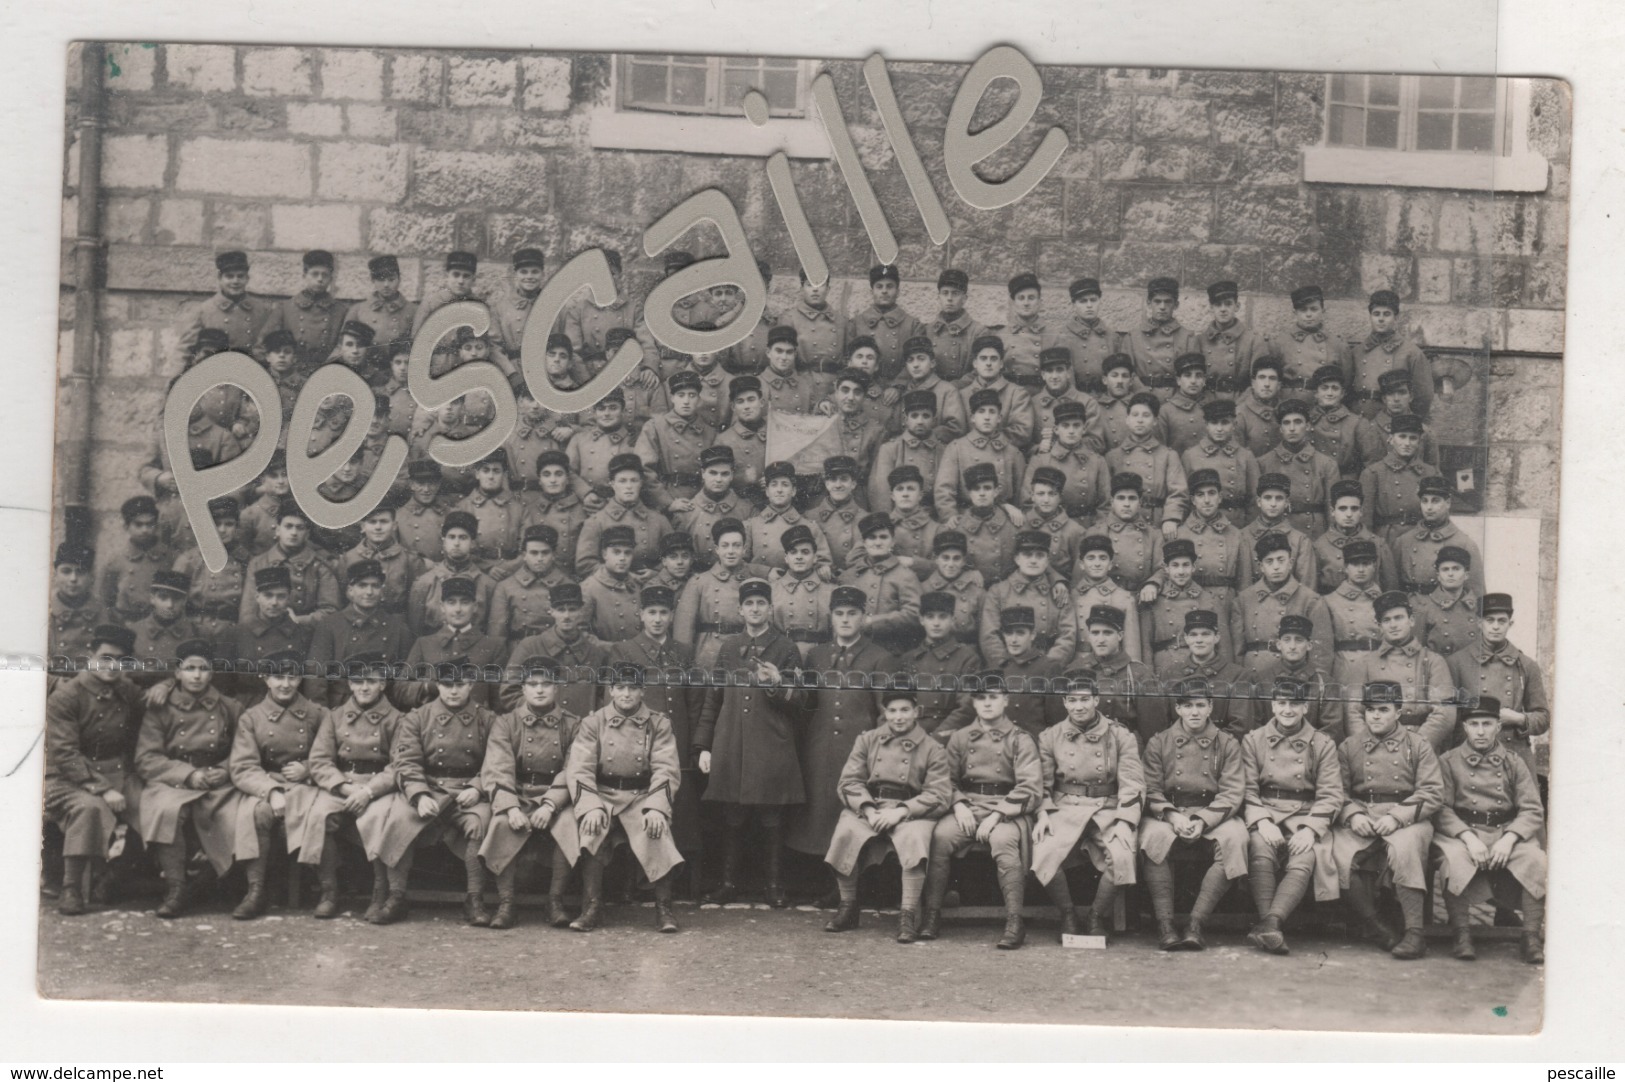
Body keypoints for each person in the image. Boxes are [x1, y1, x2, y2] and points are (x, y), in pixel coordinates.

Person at [693, 578, 809, 906]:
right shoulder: (729, 648)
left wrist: (775, 684)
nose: (755, 609)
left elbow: (800, 700)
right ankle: (729, 883)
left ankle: (773, 886)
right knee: (732, 814)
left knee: (771, 815)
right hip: (731, 741)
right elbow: (713, 699)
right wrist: (704, 745)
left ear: (770, 609)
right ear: (740, 610)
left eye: (761, 603)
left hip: (771, 741)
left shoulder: (786, 648)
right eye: (749, 604)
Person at [134, 639, 256, 920]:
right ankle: (176, 888)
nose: (197, 675)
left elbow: (245, 748)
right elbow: (147, 758)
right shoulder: (160, 708)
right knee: (165, 810)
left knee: (236, 814)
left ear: (212, 673)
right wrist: (188, 774)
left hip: (218, 781)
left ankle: (211, 882)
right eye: (190, 668)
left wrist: (226, 769)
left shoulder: (229, 707)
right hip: (173, 780)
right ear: (177, 673)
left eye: (203, 668)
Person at [920, 675, 1043, 949]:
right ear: (973, 702)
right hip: (969, 805)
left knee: (1003, 841)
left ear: (1005, 700)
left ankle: (1014, 921)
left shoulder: (1020, 739)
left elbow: (1030, 786)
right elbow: (944, 779)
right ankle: (932, 913)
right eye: (981, 698)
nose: (987, 703)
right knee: (940, 836)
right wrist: (959, 804)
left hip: (1006, 808)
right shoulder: (960, 738)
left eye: (993, 697)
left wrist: (998, 815)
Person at [791, 586, 898, 897]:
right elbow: (807, 704)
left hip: (857, 752)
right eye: (840, 614)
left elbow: (885, 712)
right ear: (831, 617)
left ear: (863, 617)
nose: (846, 619)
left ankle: (850, 886)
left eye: (852, 614)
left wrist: (876, 755)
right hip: (819, 748)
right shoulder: (817, 655)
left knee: (850, 815)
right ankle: (827, 883)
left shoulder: (880, 658)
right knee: (820, 817)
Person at [822, 688, 952, 942]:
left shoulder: (932, 748)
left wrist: (901, 812)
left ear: (916, 712)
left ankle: (907, 916)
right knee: (847, 830)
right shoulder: (868, 740)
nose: (898, 717)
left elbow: (939, 793)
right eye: (892, 711)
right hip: (872, 806)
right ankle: (848, 907)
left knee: (914, 839)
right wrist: (869, 809)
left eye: (905, 710)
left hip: (912, 811)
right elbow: (849, 782)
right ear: (885, 713)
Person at [1332, 680, 1445, 961]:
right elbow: (1337, 791)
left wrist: (1398, 817)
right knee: (1338, 854)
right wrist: (1352, 814)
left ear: (1398, 711)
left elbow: (1432, 791)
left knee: (1405, 850)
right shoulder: (1350, 747)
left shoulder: (1418, 745)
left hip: (1408, 817)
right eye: (1370, 710)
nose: (1376, 716)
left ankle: (1414, 933)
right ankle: (1376, 926)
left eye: (1383, 709)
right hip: (1363, 815)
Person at [1031, 673, 1145, 942]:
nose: (1078, 706)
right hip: (1063, 806)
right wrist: (1042, 812)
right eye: (1072, 700)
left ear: (1096, 700)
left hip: (1108, 807)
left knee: (1122, 854)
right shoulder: (1050, 737)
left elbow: (1133, 782)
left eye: (1084, 699)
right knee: (1043, 851)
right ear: (1065, 703)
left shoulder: (1119, 736)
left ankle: (1097, 915)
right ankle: (1067, 914)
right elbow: (1042, 783)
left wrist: (1125, 821)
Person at [1137, 677, 1249, 950]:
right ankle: (1165, 925)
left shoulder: (1227, 743)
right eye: (1187, 706)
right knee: (1152, 839)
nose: (1194, 712)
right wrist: (1173, 816)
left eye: (1200, 705)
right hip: (1170, 812)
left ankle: (1196, 924)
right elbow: (1150, 787)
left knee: (1236, 839)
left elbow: (1233, 791)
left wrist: (1202, 820)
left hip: (1213, 812)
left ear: (1211, 707)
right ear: (1178, 709)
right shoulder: (1159, 742)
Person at [228, 649, 341, 918]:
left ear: (300, 679)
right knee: (257, 814)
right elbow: (243, 766)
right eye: (278, 677)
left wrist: (309, 769)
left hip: (310, 785)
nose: (285, 684)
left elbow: (335, 754)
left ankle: (329, 891)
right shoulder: (251, 717)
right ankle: (255, 891)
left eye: (292, 677)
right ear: (266, 679)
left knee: (318, 816)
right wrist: (271, 790)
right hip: (268, 784)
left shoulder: (318, 714)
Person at [1435, 696, 1547, 965]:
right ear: (1464, 727)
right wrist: (1468, 838)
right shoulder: (1448, 761)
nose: (1481, 731)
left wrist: (1509, 839)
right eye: (1474, 724)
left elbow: (1532, 809)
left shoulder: (1514, 761)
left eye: (1487, 723)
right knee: (1455, 860)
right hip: (1463, 833)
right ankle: (1461, 933)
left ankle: (1530, 936)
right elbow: (1440, 809)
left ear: (1498, 726)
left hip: (1506, 831)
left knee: (1536, 859)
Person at [387, 658, 499, 926]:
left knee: (480, 823)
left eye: (460, 684)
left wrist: (477, 787)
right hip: (430, 789)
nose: (453, 691)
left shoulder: (488, 719)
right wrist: (419, 794)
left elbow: (497, 762)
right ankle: (396, 897)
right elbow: (406, 762)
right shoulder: (417, 717)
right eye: (447, 684)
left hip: (468, 792)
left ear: (471, 685)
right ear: (437, 684)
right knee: (399, 819)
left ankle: (474, 898)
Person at [1240, 675, 1345, 955]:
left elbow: (1332, 794)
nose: (1288, 710)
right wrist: (1261, 820)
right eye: (1282, 703)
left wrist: (1311, 829)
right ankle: (1270, 926)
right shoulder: (1253, 740)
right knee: (1260, 849)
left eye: (1295, 704)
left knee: (1306, 855)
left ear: (1305, 708)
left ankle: (1270, 924)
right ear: (1273, 706)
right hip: (1267, 811)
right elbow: (1247, 790)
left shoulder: (1322, 743)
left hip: (1305, 814)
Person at [44, 624, 144, 916]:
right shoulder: (67, 696)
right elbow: (65, 753)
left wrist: (165, 687)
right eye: (106, 658)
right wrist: (102, 788)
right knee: (90, 808)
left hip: (118, 773)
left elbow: (148, 705)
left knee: (152, 806)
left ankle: (115, 874)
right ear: (91, 656)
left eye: (122, 661)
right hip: (67, 778)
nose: (113, 667)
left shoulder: (127, 691)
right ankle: (71, 887)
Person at [477, 656, 582, 930]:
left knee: (570, 824)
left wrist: (550, 805)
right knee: (500, 823)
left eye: (546, 683)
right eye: (532, 684)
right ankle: (507, 902)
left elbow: (574, 769)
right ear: (522, 689)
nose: (539, 690)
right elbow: (498, 768)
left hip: (557, 794)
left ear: (556, 687)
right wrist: (510, 807)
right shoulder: (506, 723)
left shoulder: (572, 724)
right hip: (519, 793)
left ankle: (555, 901)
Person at [606, 586, 706, 873]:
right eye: (652, 612)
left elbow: (695, 702)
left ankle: (678, 877)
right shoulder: (624, 650)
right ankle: (634, 879)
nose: (658, 619)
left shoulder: (683, 652)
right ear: (641, 615)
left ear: (672, 615)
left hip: (677, 740)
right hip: (636, 743)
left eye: (663, 613)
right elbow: (613, 703)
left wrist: (695, 744)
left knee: (681, 809)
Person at [306, 652, 407, 924]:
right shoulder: (335, 716)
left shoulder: (397, 719)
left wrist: (369, 792)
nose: (364, 687)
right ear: (350, 684)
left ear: (383, 685)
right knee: (319, 816)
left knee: (379, 818)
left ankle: (379, 892)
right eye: (358, 681)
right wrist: (343, 787)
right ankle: (329, 891)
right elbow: (319, 761)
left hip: (378, 788)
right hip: (343, 785)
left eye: (372, 681)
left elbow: (400, 765)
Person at [1447, 593, 1550, 788]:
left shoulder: (1527, 666)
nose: (1495, 626)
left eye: (1502, 621)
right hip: (1469, 755)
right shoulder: (1457, 662)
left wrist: (1519, 718)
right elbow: (1449, 717)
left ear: (1510, 624)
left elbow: (1543, 718)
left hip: (1514, 753)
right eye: (1489, 620)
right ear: (1479, 623)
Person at [1340, 591, 1455, 751]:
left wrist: (1416, 746)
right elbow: (1353, 713)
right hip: (1376, 747)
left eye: (1399, 618)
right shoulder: (1365, 663)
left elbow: (1445, 713)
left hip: (1418, 746)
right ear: (1379, 626)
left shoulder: (1433, 661)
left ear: (1411, 620)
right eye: (1386, 620)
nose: (1393, 625)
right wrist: (1370, 745)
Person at [306, 559, 413, 705]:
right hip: (341, 709)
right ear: (350, 590)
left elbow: (403, 681)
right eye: (362, 585)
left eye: (375, 586)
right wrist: (322, 713)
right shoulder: (330, 625)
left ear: (382, 591)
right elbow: (316, 676)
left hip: (384, 710)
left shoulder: (398, 628)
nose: (369, 592)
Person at [503, 583, 608, 720]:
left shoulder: (595, 653)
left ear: (581, 611)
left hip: (582, 732)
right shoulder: (530, 647)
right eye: (560, 610)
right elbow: (508, 692)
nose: (567, 616)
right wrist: (538, 710)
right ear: (551, 611)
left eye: (572, 609)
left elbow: (604, 697)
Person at [1231, 531, 1330, 673]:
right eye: (1269, 561)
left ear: (1290, 563)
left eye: (1281, 560)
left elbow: (1321, 653)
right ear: (1261, 566)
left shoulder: (1310, 600)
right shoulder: (1244, 600)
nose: (1276, 567)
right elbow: (1237, 651)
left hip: (1295, 674)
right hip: (1254, 673)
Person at [979, 531, 1075, 668]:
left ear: (1047, 561)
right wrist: (1004, 665)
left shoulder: (1058, 592)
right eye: (1027, 555)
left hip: (1047, 666)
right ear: (1017, 559)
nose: (1033, 560)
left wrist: (1049, 665)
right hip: (1009, 666)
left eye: (1040, 556)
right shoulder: (999, 591)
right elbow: (989, 635)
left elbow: (1068, 635)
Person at [902, 591, 985, 739]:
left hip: (946, 738)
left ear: (953, 619)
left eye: (943, 617)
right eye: (930, 617)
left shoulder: (967, 658)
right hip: (909, 735)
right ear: (921, 620)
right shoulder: (909, 658)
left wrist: (937, 738)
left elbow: (967, 706)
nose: (936, 623)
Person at [1154, 609, 1249, 735]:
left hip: (1220, 749)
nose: (1199, 640)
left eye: (1205, 634)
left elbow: (1239, 726)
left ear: (1217, 637)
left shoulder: (1238, 675)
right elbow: (1161, 724)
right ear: (1186, 639)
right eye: (1193, 635)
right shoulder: (1169, 674)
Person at [840, 514, 923, 657]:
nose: (878, 542)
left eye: (883, 537)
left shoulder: (905, 575)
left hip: (891, 651)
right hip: (854, 652)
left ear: (892, 542)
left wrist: (873, 622)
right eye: (872, 537)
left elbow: (915, 614)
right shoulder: (849, 577)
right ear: (864, 543)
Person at [1256, 399, 1340, 537]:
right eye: (1286, 423)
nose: (1292, 428)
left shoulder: (1326, 464)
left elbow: (1333, 510)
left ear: (1308, 426)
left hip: (1314, 532)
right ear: (1280, 429)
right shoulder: (1263, 463)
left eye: (1298, 422)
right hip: (1276, 533)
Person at [1391, 477, 1486, 596]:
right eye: (1424, 501)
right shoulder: (1403, 541)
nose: (1429, 507)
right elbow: (1392, 587)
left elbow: (1476, 593)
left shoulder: (1464, 544)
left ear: (1448, 503)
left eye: (1435, 501)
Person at [176, 250, 274, 361]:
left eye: (240, 276)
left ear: (247, 278)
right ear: (219, 278)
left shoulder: (262, 310)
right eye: (229, 276)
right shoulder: (203, 311)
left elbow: (270, 349)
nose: (235, 281)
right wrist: (177, 377)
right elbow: (185, 351)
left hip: (252, 372)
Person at [1353, 290, 1434, 419]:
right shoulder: (1358, 351)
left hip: (1395, 423)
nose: (1381, 319)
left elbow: (1424, 396)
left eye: (1386, 314)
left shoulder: (1411, 353)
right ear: (1370, 317)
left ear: (1396, 318)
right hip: (1361, 420)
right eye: (1376, 314)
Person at [1359, 414, 1442, 540]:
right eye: (1402, 437)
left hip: (1421, 538)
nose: (1407, 443)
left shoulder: (1430, 473)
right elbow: (1365, 520)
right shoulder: (1373, 473)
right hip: (1387, 539)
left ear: (1419, 442)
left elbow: (1440, 515)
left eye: (1413, 438)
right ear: (1391, 439)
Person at [1181, 399, 1259, 528]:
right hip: (1200, 525)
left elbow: (1254, 499)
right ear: (1206, 425)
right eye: (1214, 423)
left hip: (1236, 524)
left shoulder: (1245, 456)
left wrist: (1248, 528)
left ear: (1234, 424)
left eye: (1225, 423)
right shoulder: (1190, 456)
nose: (1219, 428)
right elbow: (1184, 498)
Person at [1313, 480, 1399, 594]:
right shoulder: (1319, 546)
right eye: (1342, 508)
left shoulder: (1378, 544)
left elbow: (1391, 588)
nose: (1349, 514)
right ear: (1332, 511)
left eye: (1354, 508)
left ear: (1361, 511)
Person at [1121, 277, 1199, 399]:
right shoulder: (1132, 337)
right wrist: (1142, 395)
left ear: (1176, 305)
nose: (1162, 307)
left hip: (1175, 400)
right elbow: (1127, 373)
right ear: (1149, 303)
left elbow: (1191, 376)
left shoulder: (1187, 337)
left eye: (1168, 302)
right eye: (1157, 301)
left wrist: (1177, 402)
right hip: (1141, 399)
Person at [846, 263, 925, 382]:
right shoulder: (856, 324)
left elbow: (918, 361)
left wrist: (898, 385)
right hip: (864, 388)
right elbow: (848, 359)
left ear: (897, 291)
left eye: (889, 286)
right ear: (871, 291)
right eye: (879, 286)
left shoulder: (913, 325)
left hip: (901, 390)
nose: (884, 291)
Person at [100, 495, 173, 624]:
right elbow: (106, 601)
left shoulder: (170, 558)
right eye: (138, 524)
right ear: (126, 527)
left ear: (156, 526)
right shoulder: (115, 561)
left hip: (161, 625)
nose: (144, 530)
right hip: (126, 625)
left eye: (149, 524)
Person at [1196, 280, 1269, 397]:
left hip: (1240, 402)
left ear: (1237, 306)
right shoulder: (1200, 341)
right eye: (1218, 304)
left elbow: (1260, 382)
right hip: (1207, 402)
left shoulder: (1254, 341)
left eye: (1228, 304)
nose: (1223, 309)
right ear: (1211, 308)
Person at [1413, 546, 1482, 657]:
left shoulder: (1478, 606)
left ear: (1466, 574)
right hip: (1441, 670)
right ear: (1438, 576)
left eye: (1456, 569)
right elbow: (1417, 651)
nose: (1450, 574)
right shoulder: (1425, 607)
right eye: (1445, 569)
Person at [925, 268, 987, 383]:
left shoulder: (978, 331)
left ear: (964, 298)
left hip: (964, 391)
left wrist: (959, 385)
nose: (949, 298)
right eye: (945, 293)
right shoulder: (928, 330)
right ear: (938, 297)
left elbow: (981, 369)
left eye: (955, 293)